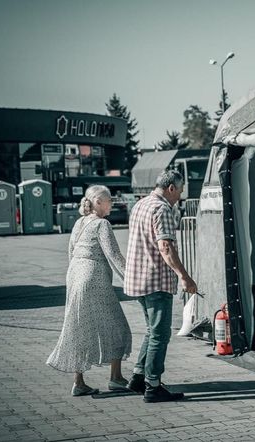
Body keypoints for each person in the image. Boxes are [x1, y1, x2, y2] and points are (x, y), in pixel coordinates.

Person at [46, 185, 132, 396]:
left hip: (75, 274)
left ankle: (79, 382)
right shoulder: (102, 224)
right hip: (94, 277)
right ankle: (116, 378)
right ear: (99, 202)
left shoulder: (79, 222)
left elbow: (71, 251)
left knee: (79, 327)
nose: (112, 202)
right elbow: (114, 255)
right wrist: (131, 280)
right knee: (117, 325)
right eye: (109, 199)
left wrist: (77, 274)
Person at [124, 169, 197, 403]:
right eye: (181, 190)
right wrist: (184, 276)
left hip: (138, 279)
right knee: (160, 335)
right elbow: (165, 247)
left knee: (151, 331)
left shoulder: (141, 204)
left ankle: (137, 376)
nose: (181, 195)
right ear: (171, 188)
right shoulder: (162, 208)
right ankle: (153, 386)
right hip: (156, 280)